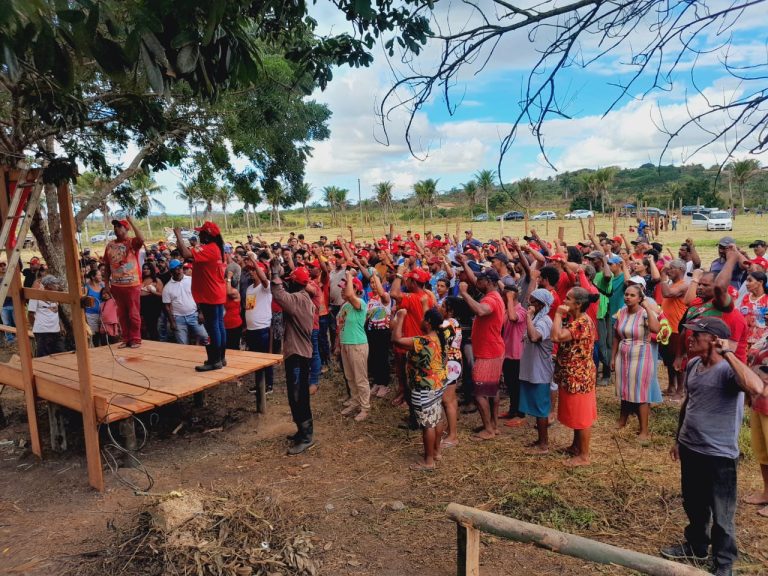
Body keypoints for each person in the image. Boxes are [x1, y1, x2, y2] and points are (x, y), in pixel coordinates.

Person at [662, 318, 768, 576]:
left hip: (719, 454)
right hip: (691, 447)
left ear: (713, 339)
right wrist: (679, 438)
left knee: (722, 514)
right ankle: (697, 546)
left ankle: (723, 562)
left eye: (697, 334)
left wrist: (729, 352)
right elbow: (689, 402)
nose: (690, 338)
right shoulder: (695, 363)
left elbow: (757, 387)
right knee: (694, 503)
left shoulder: (729, 371)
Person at [391, 307, 447, 471]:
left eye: (423, 318)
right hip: (437, 384)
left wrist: (401, 317)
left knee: (427, 424)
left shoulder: (422, 342)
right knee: (436, 418)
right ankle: (436, 452)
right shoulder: (438, 337)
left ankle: (428, 461)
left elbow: (397, 340)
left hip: (424, 387)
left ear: (428, 323)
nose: (421, 321)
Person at [270, 260, 316, 455]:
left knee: (299, 396)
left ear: (296, 284)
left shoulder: (298, 300)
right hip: (297, 353)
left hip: (298, 355)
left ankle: (306, 437)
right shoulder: (303, 298)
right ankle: (301, 431)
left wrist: (274, 274)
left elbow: (279, 294)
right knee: (295, 395)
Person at [552, 287, 598, 467]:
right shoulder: (578, 320)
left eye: (568, 299)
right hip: (575, 374)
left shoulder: (581, 323)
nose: (564, 301)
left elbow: (556, 336)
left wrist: (557, 315)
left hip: (579, 376)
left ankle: (584, 456)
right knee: (577, 414)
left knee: (582, 416)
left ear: (578, 304)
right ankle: (576, 446)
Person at [458, 268, 505, 441]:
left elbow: (480, 310)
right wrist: (464, 264)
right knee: (492, 389)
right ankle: (493, 424)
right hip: (493, 349)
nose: (477, 282)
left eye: (480, 280)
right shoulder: (495, 295)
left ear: (489, 282)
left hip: (488, 352)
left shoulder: (491, 299)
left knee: (479, 393)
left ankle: (488, 430)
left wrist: (464, 293)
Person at [611, 284, 661, 440]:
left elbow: (656, 329)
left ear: (640, 298)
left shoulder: (645, 314)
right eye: (626, 294)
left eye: (632, 295)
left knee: (640, 391)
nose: (627, 297)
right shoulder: (621, 313)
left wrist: (648, 308)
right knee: (624, 388)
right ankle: (622, 420)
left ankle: (644, 430)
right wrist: (613, 357)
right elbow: (616, 336)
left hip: (640, 354)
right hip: (623, 353)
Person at [174, 222, 227, 371]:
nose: (199, 235)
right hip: (216, 292)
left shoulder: (209, 249)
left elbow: (185, 254)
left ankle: (215, 360)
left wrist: (178, 235)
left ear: (207, 235)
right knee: (219, 325)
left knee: (213, 328)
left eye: (201, 233)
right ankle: (220, 358)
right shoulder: (217, 248)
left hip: (209, 294)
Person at [518, 288, 555, 454]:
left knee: (541, 409)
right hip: (533, 368)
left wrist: (527, 317)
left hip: (540, 370)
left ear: (541, 304)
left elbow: (534, 337)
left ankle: (543, 445)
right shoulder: (537, 319)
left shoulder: (544, 321)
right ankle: (540, 440)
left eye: (532, 302)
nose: (529, 304)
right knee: (536, 406)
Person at [103, 217, 144, 348]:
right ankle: (126, 339)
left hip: (132, 284)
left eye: (119, 226)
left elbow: (142, 239)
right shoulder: (110, 245)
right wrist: (106, 283)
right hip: (116, 285)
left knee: (133, 313)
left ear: (126, 229)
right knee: (121, 314)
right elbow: (107, 265)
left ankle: (136, 339)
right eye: (115, 227)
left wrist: (132, 222)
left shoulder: (132, 242)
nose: (116, 229)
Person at [336, 270, 370, 421]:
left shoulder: (359, 303)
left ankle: (365, 407)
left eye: (345, 287)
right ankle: (355, 401)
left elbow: (350, 295)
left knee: (360, 378)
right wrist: (338, 345)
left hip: (357, 344)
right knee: (350, 377)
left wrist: (350, 276)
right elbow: (340, 327)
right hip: (346, 344)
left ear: (355, 288)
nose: (342, 290)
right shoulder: (345, 306)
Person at [244, 257, 274, 393]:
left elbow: (264, 279)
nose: (251, 273)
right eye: (250, 271)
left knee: (265, 358)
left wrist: (255, 263)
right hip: (251, 329)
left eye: (254, 270)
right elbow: (250, 307)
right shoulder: (250, 288)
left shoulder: (265, 286)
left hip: (263, 329)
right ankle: (259, 384)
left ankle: (268, 385)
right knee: (256, 360)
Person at [162, 259, 209, 345]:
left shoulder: (191, 280)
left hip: (193, 315)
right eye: (176, 269)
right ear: (171, 272)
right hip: (178, 319)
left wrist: (201, 312)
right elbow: (167, 307)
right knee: (182, 344)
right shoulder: (167, 287)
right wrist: (172, 321)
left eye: (180, 267)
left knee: (205, 337)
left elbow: (198, 296)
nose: (179, 270)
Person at [500, 281, 527, 427]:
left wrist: (510, 299)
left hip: (517, 354)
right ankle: (512, 410)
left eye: (505, 295)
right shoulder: (507, 309)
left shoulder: (521, 310)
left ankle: (521, 414)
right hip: (507, 353)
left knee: (517, 385)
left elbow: (513, 317)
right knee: (510, 383)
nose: (503, 297)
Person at [439, 296, 464, 448]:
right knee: (452, 398)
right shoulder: (455, 322)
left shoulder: (447, 324)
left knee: (447, 400)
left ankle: (453, 436)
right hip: (455, 360)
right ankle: (451, 429)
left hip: (449, 362)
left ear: (450, 310)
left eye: (443, 305)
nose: (439, 307)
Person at [365, 272, 392, 398]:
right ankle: (377, 381)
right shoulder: (370, 299)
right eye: (371, 282)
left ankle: (384, 384)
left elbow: (382, 294)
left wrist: (376, 275)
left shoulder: (385, 296)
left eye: (376, 282)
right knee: (374, 357)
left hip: (383, 331)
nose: (373, 285)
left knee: (382, 357)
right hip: (372, 331)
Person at [28, 275, 65, 357]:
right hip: (42, 332)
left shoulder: (55, 296)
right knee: (43, 356)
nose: (57, 286)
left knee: (61, 354)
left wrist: (61, 325)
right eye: (55, 284)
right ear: (48, 285)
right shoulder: (35, 296)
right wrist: (37, 327)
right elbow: (30, 314)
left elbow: (56, 312)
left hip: (56, 331)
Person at [738, 271, 768, 348]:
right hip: (744, 338)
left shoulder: (766, 299)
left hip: (761, 341)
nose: (746, 284)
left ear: (760, 282)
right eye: (746, 280)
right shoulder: (746, 298)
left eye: (750, 280)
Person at [139, 262, 164, 341]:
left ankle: (155, 344)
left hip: (152, 306)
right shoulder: (140, 280)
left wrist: (153, 292)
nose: (145, 270)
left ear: (151, 270)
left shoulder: (156, 280)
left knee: (152, 327)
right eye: (144, 268)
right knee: (142, 328)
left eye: (147, 269)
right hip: (141, 305)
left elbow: (162, 295)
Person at [84, 269, 104, 347]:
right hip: (90, 314)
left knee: (102, 333)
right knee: (94, 334)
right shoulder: (87, 287)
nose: (100, 276)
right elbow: (83, 299)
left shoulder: (102, 285)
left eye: (100, 275)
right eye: (98, 275)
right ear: (92, 277)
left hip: (102, 313)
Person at [223, 270, 242, 350]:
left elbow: (229, 292)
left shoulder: (234, 291)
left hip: (234, 326)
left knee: (234, 348)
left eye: (226, 281)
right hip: (225, 326)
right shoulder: (223, 292)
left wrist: (229, 277)